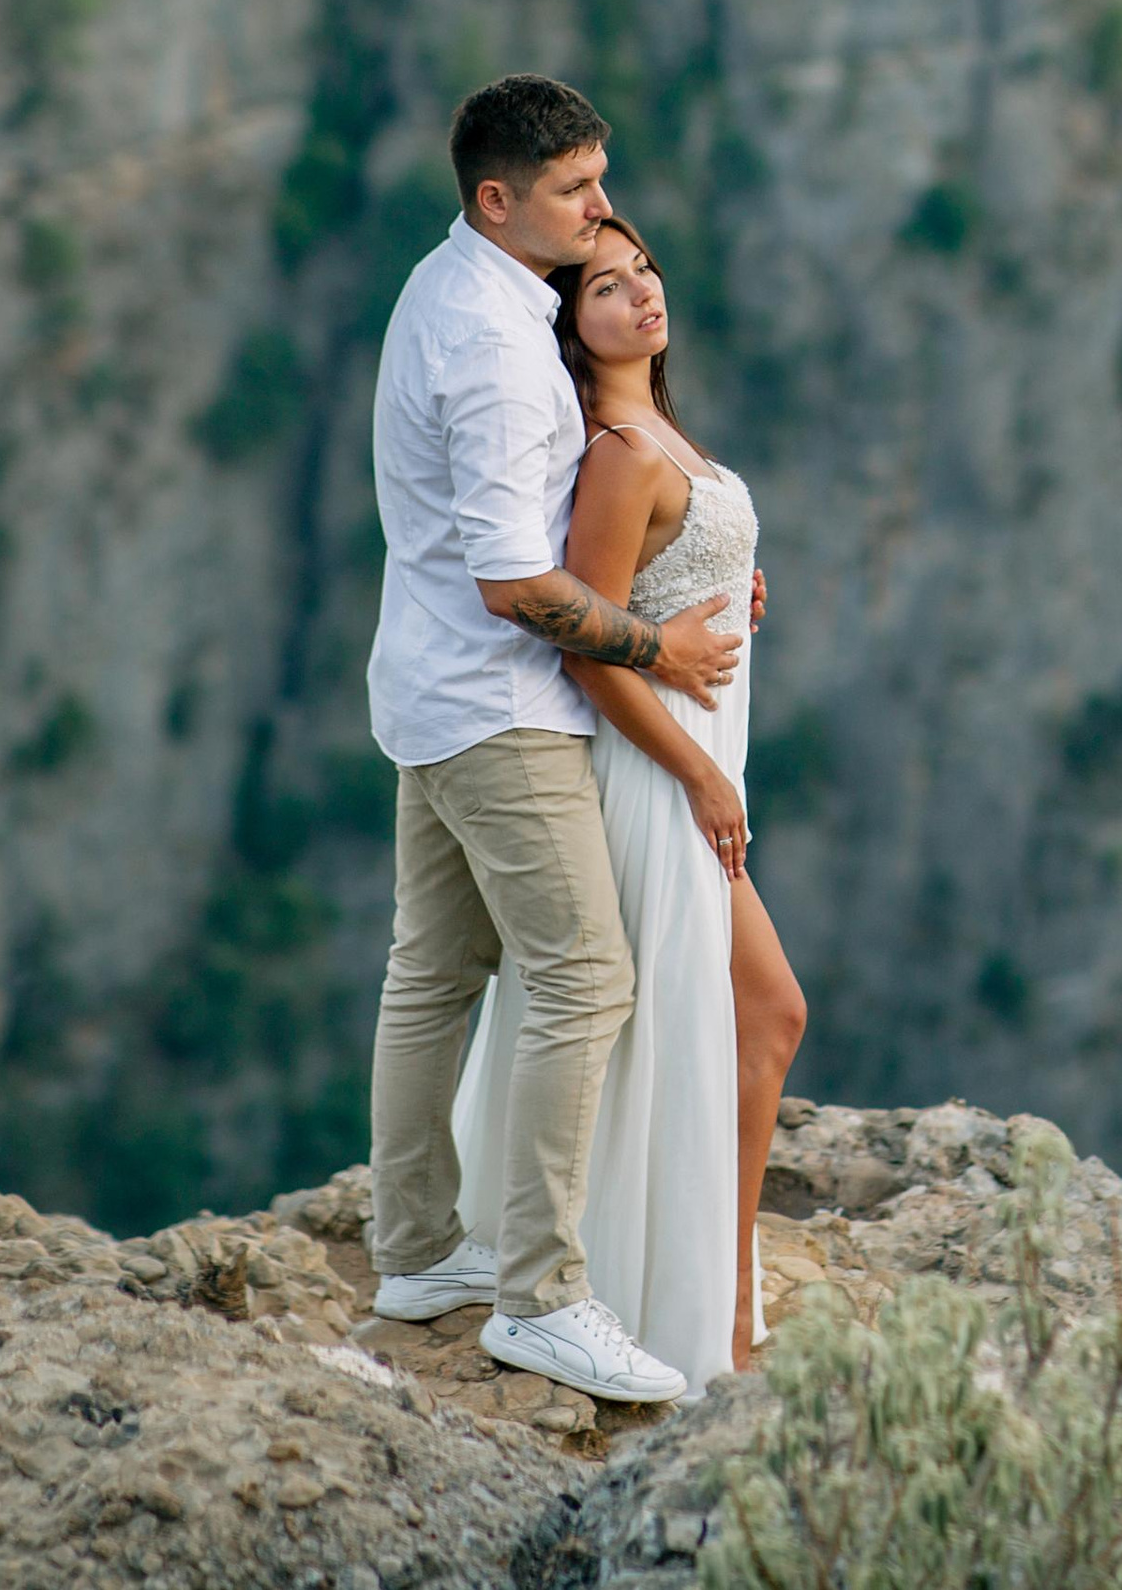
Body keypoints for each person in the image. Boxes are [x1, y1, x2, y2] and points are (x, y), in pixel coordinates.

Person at [362, 76, 744, 1405]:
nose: (600, 209)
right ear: (497, 197)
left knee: (436, 969)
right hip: (496, 703)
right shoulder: (497, 344)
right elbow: (517, 586)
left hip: (424, 689)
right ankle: (543, 1296)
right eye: (577, 190)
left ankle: (415, 1257)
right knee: (586, 978)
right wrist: (661, 647)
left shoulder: (450, 290)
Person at [450, 213, 808, 1384]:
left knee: (742, 1019)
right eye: (605, 286)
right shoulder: (619, 450)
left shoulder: (661, 434)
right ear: (570, 320)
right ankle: (704, 1301)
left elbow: (655, 595)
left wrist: (724, 592)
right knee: (754, 1013)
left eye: (646, 267)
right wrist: (701, 773)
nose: (641, 292)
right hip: (662, 778)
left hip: (701, 763)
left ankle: (719, 1284)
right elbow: (589, 650)